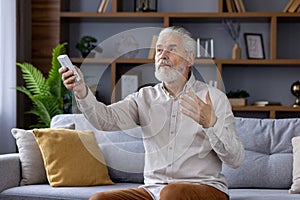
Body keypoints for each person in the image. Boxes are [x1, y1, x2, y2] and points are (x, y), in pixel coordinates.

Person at [59, 26, 244, 200]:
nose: (163, 55)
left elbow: (235, 159)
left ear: (190, 59)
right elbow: (105, 120)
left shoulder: (213, 98)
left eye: (171, 50)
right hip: (153, 191)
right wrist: (81, 91)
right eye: (159, 50)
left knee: (172, 193)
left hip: (206, 188)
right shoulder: (144, 97)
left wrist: (211, 124)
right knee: (99, 198)